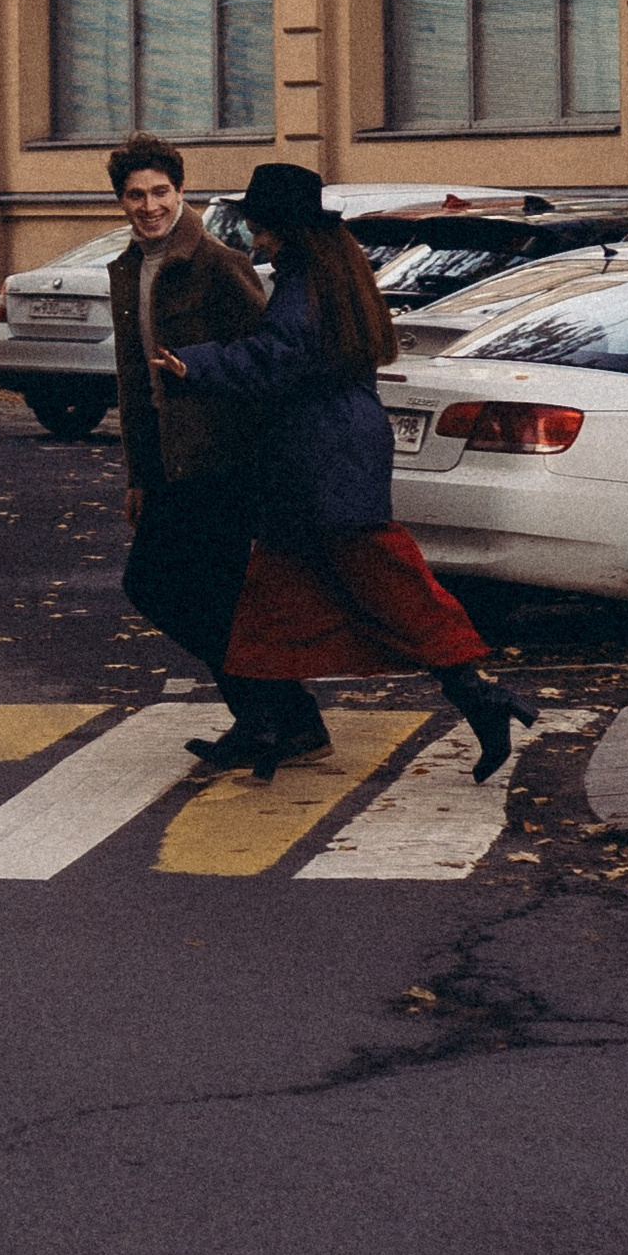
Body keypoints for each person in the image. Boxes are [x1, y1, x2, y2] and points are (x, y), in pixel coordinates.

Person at [157, 156, 537, 782]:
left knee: (393, 590)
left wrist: (194, 366)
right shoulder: (326, 269)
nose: (254, 235)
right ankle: (274, 727)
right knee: (274, 602)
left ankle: (481, 699)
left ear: (281, 226)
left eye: (259, 224)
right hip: (315, 459)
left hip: (324, 461)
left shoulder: (308, 281)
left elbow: (278, 359)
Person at [104, 134, 268, 692]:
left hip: (221, 462)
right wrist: (138, 477)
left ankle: (278, 718)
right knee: (171, 591)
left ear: (181, 191)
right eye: (135, 195)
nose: (150, 207)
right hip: (167, 466)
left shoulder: (219, 265)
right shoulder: (128, 268)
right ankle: (275, 718)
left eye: (160, 192)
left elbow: (263, 359)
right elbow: (135, 386)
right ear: (120, 201)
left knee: (178, 589)